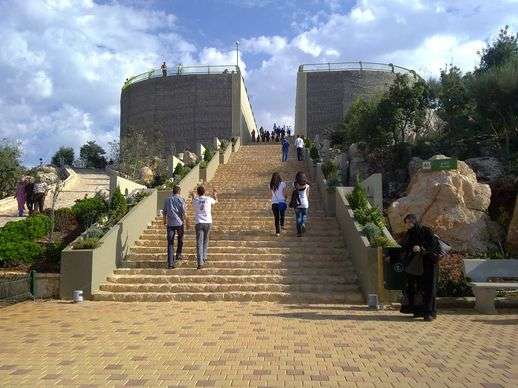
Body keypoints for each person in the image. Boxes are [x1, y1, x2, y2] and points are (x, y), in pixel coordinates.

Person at [400, 214, 440, 322]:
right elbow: (404, 247)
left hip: (429, 264)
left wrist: (422, 249)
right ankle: (418, 311)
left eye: (409, 222)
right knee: (417, 288)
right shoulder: (409, 234)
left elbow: (433, 247)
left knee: (429, 288)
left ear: (415, 221)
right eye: (406, 222)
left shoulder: (426, 231)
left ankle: (429, 313)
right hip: (416, 265)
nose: (407, 224)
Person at [191, 186, 218, 269]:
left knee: (199, 243)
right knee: (206, 240)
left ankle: (200, 262)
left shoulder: (196, 200)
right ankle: (204, 257)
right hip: (208, 222)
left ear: (198, 192)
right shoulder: (208, 199)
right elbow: (216, 201)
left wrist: (193, 195)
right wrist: (215, 195)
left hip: (199, 222)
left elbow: (193, 202)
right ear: (204, 192)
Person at [163, 185, 188, 269]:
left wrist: (164, 221)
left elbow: (164, 212)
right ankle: (178, 254)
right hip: (179, 223)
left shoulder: (167, 200)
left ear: (173, 191)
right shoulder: (181, 199)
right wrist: (187, 221)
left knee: (170, 243)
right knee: (180, 239)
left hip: (170, 224)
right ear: (179, 191)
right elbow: (184, 212)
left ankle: (170, 263)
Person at [293, 172, 309, 237]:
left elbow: (294, 193)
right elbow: (307, 195)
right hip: (305, 203)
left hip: (297, 203)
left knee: (298, 218)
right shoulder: (307, 185)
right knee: (304, 216)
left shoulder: (294, 184)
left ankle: (299, 233)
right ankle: (303, 224)